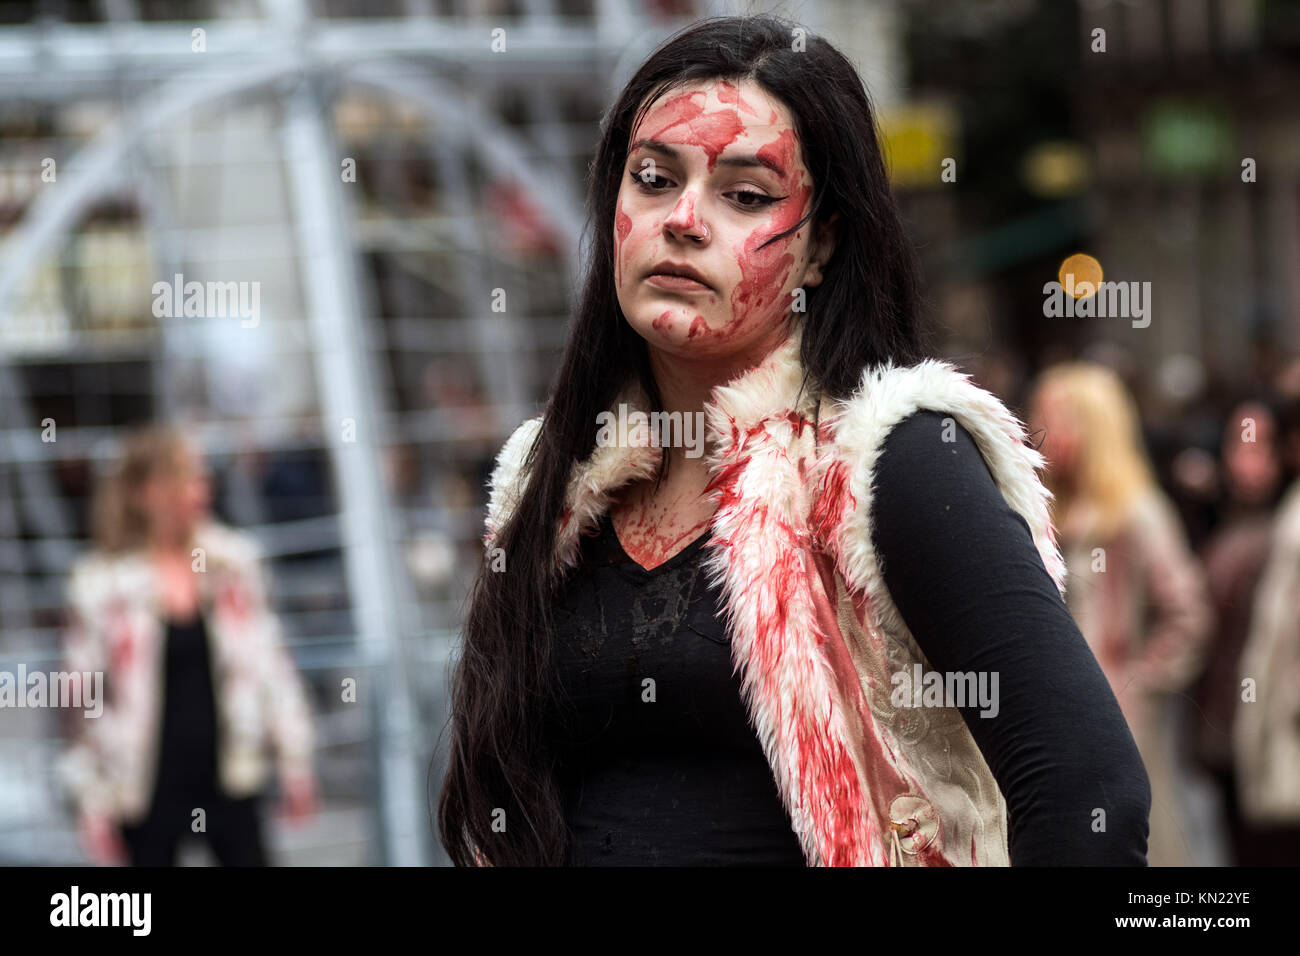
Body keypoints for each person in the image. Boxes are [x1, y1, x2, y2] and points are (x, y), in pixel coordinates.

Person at [438, 14, 1150, 867]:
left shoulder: (891, 460)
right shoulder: (546, 479)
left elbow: (1088, 791)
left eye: (745, 195)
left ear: (822, 245)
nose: (684, 220)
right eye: (654, 179)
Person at [58, 425, 317, 866]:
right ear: (147, 492)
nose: (202, 488)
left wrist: (296, 760)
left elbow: (272, 667)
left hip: (230, 775)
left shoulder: (232, 564)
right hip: (142, 787)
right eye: (187, 477)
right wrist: (91, 801)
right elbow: (82, 702)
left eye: (202, 475)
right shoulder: (101, 585)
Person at [1029, 362, 1213, 867]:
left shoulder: (1137, 512)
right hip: (1062, 715)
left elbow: (1189, 614)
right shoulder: (1049, 515)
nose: (1040, 432)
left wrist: (1140, 675)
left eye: (1054, 419)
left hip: (1122, 719)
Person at [1192, 400, 1284, 863]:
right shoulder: (1219, 524)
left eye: (1261, 446)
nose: (1245, 460)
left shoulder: (1284, 531)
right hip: (1227, 733)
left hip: (1277, 737)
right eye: (1238, 444)